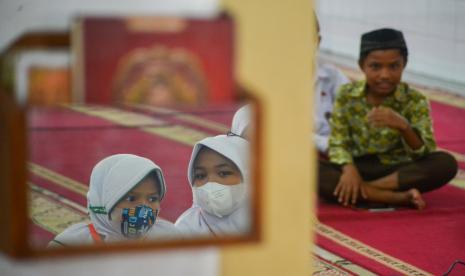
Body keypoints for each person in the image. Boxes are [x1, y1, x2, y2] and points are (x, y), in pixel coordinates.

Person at [318, 28, 458, 209]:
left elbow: (424, 153)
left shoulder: (414, 100)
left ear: (404, 65)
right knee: (308, 168)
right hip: (357, 167)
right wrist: (348, 169)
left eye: (393, 66)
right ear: (362, 66)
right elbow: (338, 142)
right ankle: (396, 198)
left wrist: (404, 127)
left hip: (397, 171)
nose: (385, 75)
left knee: (445, 164)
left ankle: (365, 192)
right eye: (376, 66)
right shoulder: (347, 95)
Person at [49, 154, 180, 246]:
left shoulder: (170, 238)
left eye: (152, 198)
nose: (144, 207)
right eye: (131, 198)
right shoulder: (71, 245)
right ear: (102, 202)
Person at [175, 134, 250, 237]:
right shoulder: (183, 231)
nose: (210, 182)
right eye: (200, 175)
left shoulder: (273, 224)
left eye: (223, 173)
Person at [314, 14, 351, 155]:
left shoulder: (332, 76)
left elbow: (353, 119)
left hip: (335, 156)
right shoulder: (275, 80)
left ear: (317, 41)